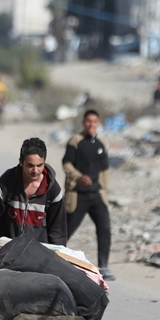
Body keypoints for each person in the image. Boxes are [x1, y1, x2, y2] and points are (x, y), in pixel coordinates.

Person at [0, 137, 67, 244]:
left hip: (37, 254)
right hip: (7, 251)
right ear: (21, 162)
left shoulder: (52, 190)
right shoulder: (7, 182)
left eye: (39, 165)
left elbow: (58, 231)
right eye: (30, 165)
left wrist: (56, 257)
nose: (35, 170)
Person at [63, 109, 115, 280]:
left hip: (97, 195)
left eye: (94, 121)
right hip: (78, 195)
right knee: (66, 230)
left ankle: (103, 266)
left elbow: (105, 170)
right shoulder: (76, 141)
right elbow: (67, 164)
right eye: (88, 121)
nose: (91, 124)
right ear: (83, 123)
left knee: (105, 229)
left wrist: (105, 191)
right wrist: (78, 177)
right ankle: (50, 260)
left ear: (98, 123)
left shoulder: (100, 143)